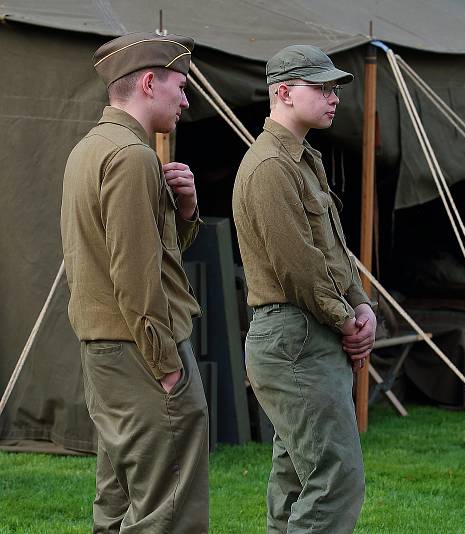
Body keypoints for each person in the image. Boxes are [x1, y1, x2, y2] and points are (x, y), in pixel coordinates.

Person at [60, 32, 208, 533]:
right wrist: (167, 365)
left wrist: (183, 210)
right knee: (167, 505)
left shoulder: (92, 149)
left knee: (120, 498)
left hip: (109, 351)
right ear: (149, 82)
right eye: (181, 87)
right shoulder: (130, 157)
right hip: (141, 351)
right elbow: (134, 274)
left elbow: (143, 256)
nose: (186, 100)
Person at [232, 44, 376, 533]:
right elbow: (298, 268)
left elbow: (331, 252)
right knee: (336, 478)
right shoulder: (271, 166)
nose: (333, 97)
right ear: (283, 92)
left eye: (335, 88)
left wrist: (361, 305)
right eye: (321, 87)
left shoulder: (302, 158)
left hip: (309, 331)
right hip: (295, 334)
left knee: (296, 477)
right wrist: (346, 320)